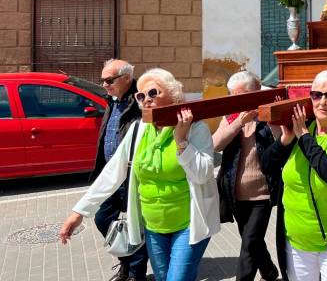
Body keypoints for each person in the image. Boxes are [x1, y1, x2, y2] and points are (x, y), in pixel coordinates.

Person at [60, 68, 220, 281]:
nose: (147, 100)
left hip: (189, 224)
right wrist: (79, 212)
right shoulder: (139, 129)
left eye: (153, 93)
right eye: (141, 96)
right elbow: (112, 172)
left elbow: (202, 175)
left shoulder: (195, 129)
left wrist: (181, 141)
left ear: (173, 94)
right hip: (153, 226)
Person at [261, 70, 327, 281]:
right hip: (295, 241)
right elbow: (266, 165)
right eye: (316, 95)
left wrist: (304, 138)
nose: (322, 101)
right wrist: (285, 140)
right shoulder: (302, 127)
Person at [212, 71, 279, 281]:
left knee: (249, 242)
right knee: (252, 240)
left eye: (242, 96)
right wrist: (238, 123)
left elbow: (280, 142)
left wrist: (269, 120)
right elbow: (216, 144)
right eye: (234, 96)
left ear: (255, 93)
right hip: (235, 193)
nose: (237, 101)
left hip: (262, 193)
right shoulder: (231, 117)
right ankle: (269, 272)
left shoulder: (269, 114)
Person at [90, 59, 148, 281]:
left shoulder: (140, 100)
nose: (104, 84)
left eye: (109, 80)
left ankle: (135, 273)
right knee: (102, 218)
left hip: (132, 174)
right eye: (103, 80)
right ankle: (126, 262)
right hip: (110, 174)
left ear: (126, 79)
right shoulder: (112, 100)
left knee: (135, 224)